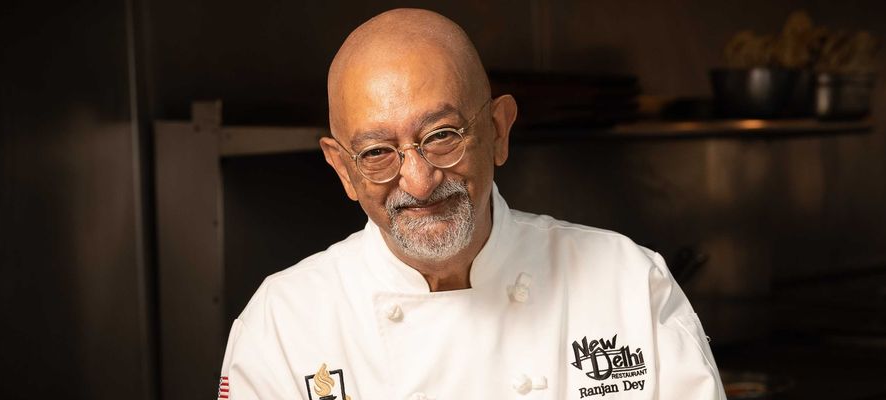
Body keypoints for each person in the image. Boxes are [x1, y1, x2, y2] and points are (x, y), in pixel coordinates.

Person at [219, 8, 726, 400]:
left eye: (442, 136)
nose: (417, 181)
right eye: (377, 152)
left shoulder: (628, 284)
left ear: (499, 131)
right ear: (343, 169)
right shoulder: (282, 324)